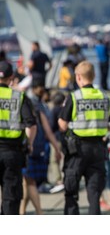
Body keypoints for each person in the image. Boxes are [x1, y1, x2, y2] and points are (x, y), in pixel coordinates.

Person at [58, 61, 110, 214]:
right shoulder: (105, 97)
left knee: (71, 190)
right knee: (94, 193)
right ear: (94, 76)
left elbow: (62, 124)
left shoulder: (74, 97)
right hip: (98, 149)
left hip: (77, 150)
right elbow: (107, 122)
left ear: (78, 77)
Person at [20, 77, 62, 215]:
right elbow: (47, 130)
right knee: (28, 182)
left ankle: (32, 212)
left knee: (28, 181)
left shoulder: (29, 103)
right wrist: (56, 147)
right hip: (37, 147)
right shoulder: (37, 105)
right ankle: (30, 212)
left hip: (28, 146)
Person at [0, 61, 37, 215]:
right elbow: (31, 125)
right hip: (12, 152)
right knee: (11, 196)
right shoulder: (19, 97)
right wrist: (29, 144)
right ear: (12, 78)